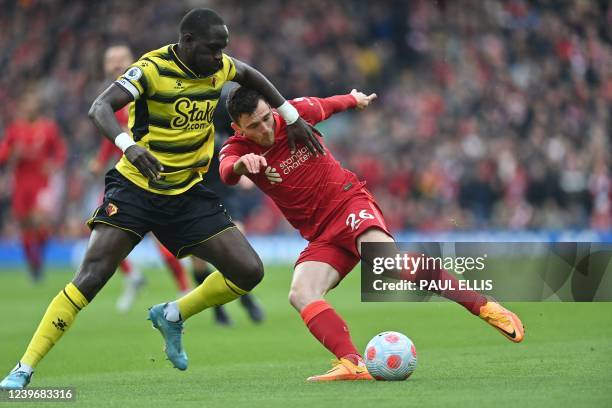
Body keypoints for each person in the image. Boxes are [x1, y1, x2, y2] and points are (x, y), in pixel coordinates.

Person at [0, 8, 323, 390]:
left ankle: (173, 314)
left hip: (185, 193)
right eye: (212, 48)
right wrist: (128, 146)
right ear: (187, 43)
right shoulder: (151, 68)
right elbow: (99, 108)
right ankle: (23, 367)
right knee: (91, 277)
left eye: (224, 49)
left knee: (249, 271)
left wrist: (290, 114)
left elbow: (251, 75)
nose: (220, 58)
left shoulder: (218, 69)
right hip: (136, 188)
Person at [218, 86, 525, 381]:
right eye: (254, 126)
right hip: (322, 235)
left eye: (266, 118)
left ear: (272, 109)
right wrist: (241, 166)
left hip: (350, 204)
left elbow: (329, 104)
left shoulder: (294, 113)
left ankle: (485, 307)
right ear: (238, 127)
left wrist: (354, 99)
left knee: (387, 264)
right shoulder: (237, 148)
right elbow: (226, 170)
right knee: (301, 294)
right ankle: (352, 364)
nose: (265, 130)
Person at [91, 44, 192, 312]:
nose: (115, 65)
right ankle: (139, 278)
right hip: (125, 177)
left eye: (120, 59)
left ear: (132, 60)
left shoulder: (145, 91)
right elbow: (110, 136)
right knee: (100, 226)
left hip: (152, 174)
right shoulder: (113, 99)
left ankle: (184, 288)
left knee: (159, 235)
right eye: (110, 60)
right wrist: (100, 161)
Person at [192, 135, 264, 325]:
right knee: (198, 263)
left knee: (236, 251)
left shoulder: (217, 132)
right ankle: (218, 310)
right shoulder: (181, 138)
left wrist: (245, 173)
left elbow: (235, 153)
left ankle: (247, 300)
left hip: (224, 196)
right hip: (194, 200)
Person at [0, 89, 67, 282]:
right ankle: (33, 265)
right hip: (20, 183)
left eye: (33, 104)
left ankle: (40, 259)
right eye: (26, 104)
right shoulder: (15, 129)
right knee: (25, 226)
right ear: (22, 107)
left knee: (40, 222)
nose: (30, 108)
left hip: (41, 183)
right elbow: (3, 154)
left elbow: (60, 151)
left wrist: (54, 165)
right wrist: (13, 153)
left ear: (37, 107)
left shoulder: (48, 128)